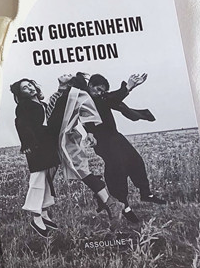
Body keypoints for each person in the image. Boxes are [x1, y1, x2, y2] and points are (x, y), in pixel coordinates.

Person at [85, 72, 166, 224]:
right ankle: (124, 207)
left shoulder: (102, 98)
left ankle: (146, 193)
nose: (100, 93)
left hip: (115, 136)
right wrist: (128, 87)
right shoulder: (85, 99)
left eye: (103, 91)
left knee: (136, 160)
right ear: (90, 86)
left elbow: (112, 97)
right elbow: (109, 100)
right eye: (98, 89)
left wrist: (129, 88)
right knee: (118, 170)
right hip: (101, 141)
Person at [46, 73, 120, 222]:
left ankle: (111, 203)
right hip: (48, 140)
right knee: (46, 176)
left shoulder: (77, 93)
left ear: (71, 82)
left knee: (81, 170)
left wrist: (90, 132)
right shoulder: (56, 95)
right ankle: (43, 213)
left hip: (65, 139)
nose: (65, 73)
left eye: (69, 74)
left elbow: (87, 112)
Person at [10, 79, 60, 238]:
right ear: (20, 93)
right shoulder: (23, 106)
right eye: (25, 88)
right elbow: (21, 124)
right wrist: (27, 144)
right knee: (38, 178)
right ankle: (36, 217)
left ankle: (44, 212)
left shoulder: (43, 104)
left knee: (48, 178)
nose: (30, 88)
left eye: (30, 85)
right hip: (36, 145)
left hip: (49, 144)